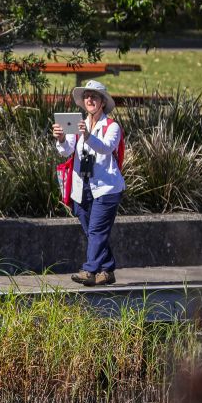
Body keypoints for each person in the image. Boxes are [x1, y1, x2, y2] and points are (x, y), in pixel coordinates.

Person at [52, 80, 125, 286]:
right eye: (87, 96)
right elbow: (67, 151)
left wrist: (88, 135)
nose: (90, 99)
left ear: (103, 102)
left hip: (106, 188)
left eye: (94, 96)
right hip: (81, 186)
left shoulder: (112, 126)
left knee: (96, 231)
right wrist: (60, 139)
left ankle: (89, 270)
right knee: (92, 231)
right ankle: (107, 269)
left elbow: (105, 148)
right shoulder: (76, 125)